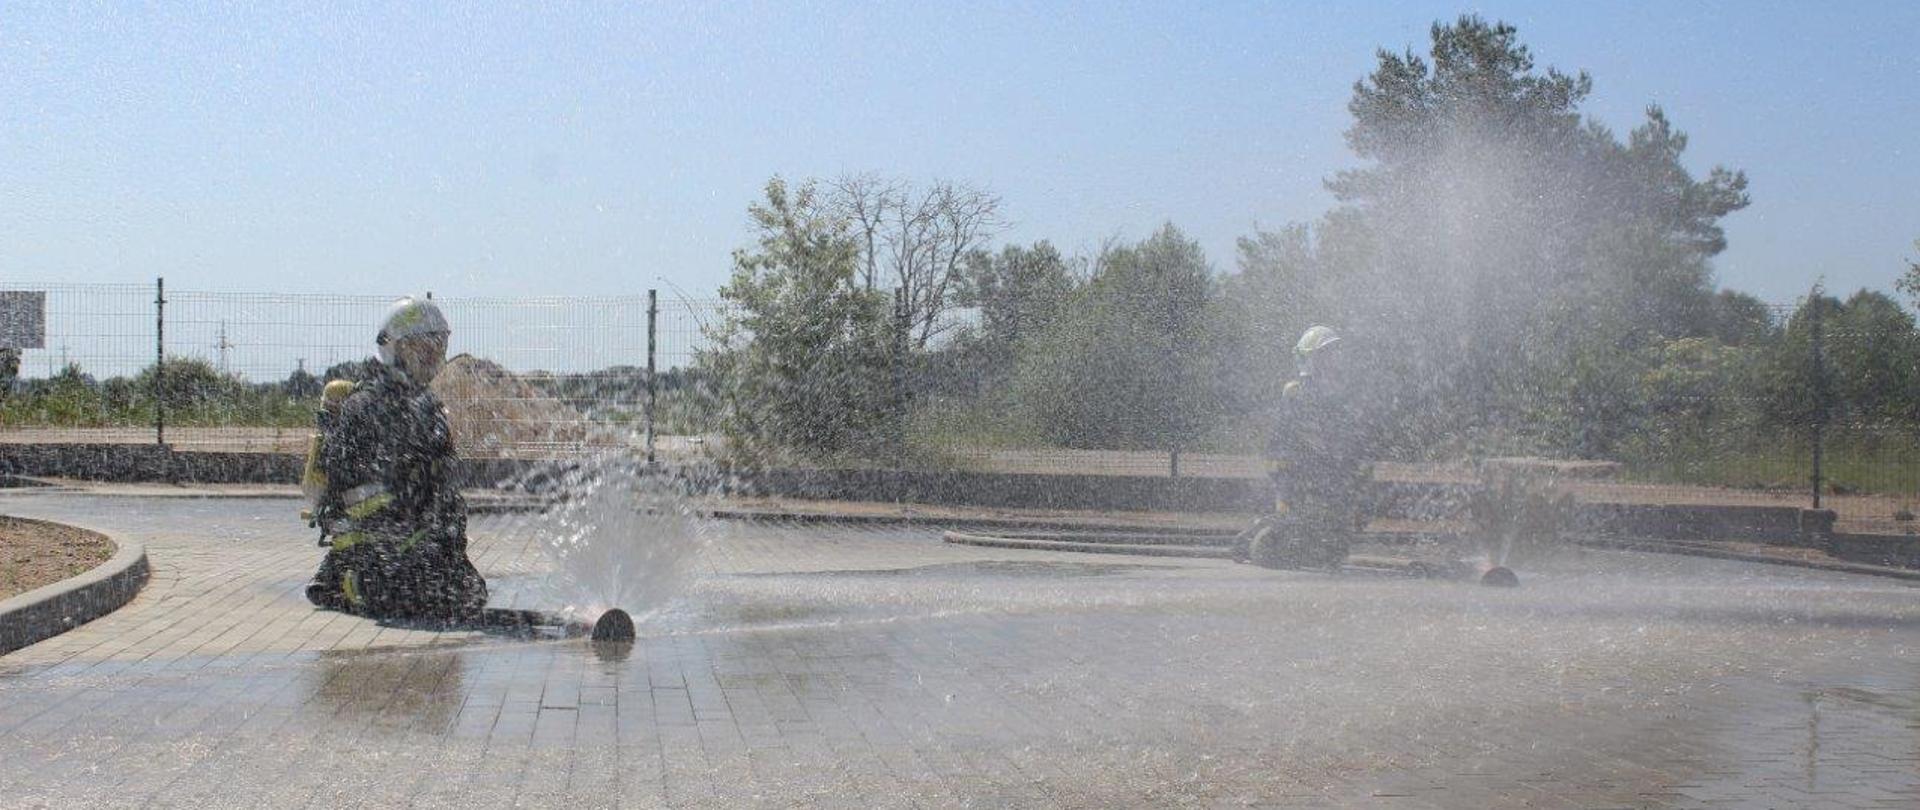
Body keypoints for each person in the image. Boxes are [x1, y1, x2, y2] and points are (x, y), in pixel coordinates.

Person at [304, 296, 487, 618]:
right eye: (424, 348)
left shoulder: (426, 407)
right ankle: (350, 580)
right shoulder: (367, 405)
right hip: (379, 545)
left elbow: (443, 476)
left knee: (466, 593)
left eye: (439, 348)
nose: (433, 358)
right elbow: (350, 480)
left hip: (413, 539)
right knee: (412, 596)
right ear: (395, 348)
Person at [1236, 325, 1376, 569]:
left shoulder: (1343, 394)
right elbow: (1284, 438)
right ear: (1311, 359)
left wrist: (1357, 477)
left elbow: (1353, 440)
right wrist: (1286, 470)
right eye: (1326, 354)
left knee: (1333, 544)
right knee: (1296, 519)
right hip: (1301, 472)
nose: (1333, 360)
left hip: (1333, 474)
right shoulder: (1297, 393)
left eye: (1334, 353)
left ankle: (1307, 541)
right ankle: (1277, 537)